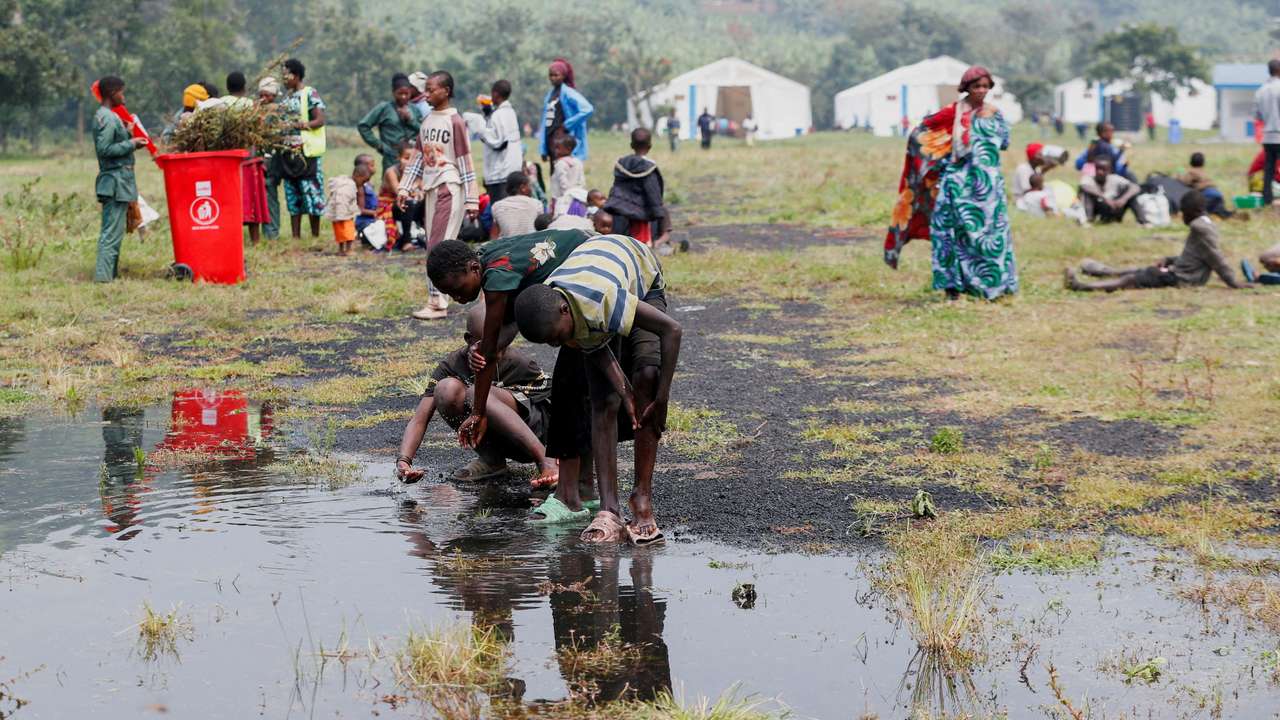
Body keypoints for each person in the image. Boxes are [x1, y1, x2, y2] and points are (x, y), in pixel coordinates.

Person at [511, 234, 682, 545]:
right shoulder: (559, 304)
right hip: (595, 282)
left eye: (557, 336)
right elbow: (596, 344)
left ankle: (642, 498)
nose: (558, 344)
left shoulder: (599, 301)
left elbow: (672, 330)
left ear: (565, 311)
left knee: (647, 374)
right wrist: (623, 392)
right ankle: (609, 511)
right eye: (551, 343)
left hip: (643, 280)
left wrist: (662, 397)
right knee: (603, 401)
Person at [425, 230, 595, 504]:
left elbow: (493, 347)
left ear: (473, 268)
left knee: (579, 380)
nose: (456, 298)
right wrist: (486, 349)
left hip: (591, 257)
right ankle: (570, 478)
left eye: (457, 289)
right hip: (576, 267)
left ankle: (564, 472)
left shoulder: (496, 277)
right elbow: (503, 333)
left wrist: (478, 410)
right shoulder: (487, 259)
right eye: (448, 294)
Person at [884, 66, 1017, 299]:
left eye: (985, 86)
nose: (981, 90)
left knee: (990, 236)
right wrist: (937, 164)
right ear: (966, 87)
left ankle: (990, 287)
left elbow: (1004, 142)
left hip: (989, 187)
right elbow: (920, 135)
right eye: (976, 86)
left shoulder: (995, 113)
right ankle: (953, 288)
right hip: (958, 183)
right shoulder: (952, 113)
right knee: (950, 235)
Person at [396, 304, 557, 484]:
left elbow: (558, 403)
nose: (493, 352)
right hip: (502, 439)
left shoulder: (518, 362)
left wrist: (562, 451)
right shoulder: (452, 365)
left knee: (477, 393)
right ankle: (492, 461)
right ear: (468, 339)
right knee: (445, 389)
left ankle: (545, 462)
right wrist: (404, 460)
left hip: (537, 436)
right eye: (484, 344)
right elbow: (420, 419)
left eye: (499, 344)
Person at [399, 70, 480, 320]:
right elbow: (418, 158)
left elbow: (465, 161)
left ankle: (438, 302)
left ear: (446, 91)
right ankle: (439, 297)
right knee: (432, 245)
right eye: (426, 89)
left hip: (449, 186)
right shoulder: (427, 121)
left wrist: (472, 198)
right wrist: (404, 186)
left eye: (432, 89)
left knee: (439, 246)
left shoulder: (455, 121)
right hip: (430, 188)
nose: (427, 94)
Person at [1065, 190, 1251, 292]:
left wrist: (1232, 281)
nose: (1181, 217)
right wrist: (1170, 260)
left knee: (1132, 279)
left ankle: (1083, 286)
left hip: (1182, 280)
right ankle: (1099, 271)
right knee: (1138, 271)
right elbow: (1196, 257)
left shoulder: (1199, 228)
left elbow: (1216, 258)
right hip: (1179, 272)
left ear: (1192, 211)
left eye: (1183, 213)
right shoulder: (1204, 224)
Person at [92, 76, 148, 283]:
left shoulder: (109, 117)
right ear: (112, 92)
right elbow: (104, 149)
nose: (123, 98)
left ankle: (110, 276)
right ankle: (103, 279)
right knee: (110, 234)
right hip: (114, 182)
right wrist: (132, 143)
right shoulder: (107, 118)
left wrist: (126, 133)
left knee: (115, 233)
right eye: (121, 93)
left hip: (119, 182)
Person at [603, 128, 671, 253]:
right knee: (642, 248)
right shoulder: (649, 168)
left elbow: (616, 189)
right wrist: (658, 213)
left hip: (620, 213)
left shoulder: (621, 164)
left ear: (631, 145)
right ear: (650, 146)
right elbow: (653, 194)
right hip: (641, 216)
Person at [281, 58, 327, 239]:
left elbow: (320, 119)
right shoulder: (285, 98)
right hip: (288, 152)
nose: (284, 79)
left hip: (307, 151)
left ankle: (315, 235)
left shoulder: (310, 93)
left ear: (297, 75)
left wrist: (304, 125)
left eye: (287, 75)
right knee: (293, 193)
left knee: (312, 192)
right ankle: (295, 236)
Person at [357, 73, 424, 176]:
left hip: (412, 156)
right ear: (393, 93)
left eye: (406, 94)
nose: (403, 97)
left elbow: (423, 132)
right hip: (391, 156)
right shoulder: (384, 108)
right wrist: (379, 145)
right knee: (390, 185)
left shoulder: (415, 110)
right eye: (399, 93)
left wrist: (410, 121)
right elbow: (363, 126)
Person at [475, 79, 522, 204]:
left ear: (495, 94)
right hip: (513, 169)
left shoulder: (499, 115)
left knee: (500, 210)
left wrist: (480, 128)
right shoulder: (510, 113)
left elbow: (497, 142)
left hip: (500, 173)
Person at [540, 59, 593, 162]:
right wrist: (543, 149)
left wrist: (567, 125)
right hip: (551, 139)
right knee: (554, 173)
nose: (552, 78)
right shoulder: (550, 95)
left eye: (556, 75)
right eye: (550, 75)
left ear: (563, 76)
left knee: (565, 170)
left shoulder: (569, 93)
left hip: (564, 140)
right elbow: (545, 122)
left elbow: (587, 109)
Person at [325, 157, 372, 256]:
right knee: (348, 232)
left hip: (339, 214)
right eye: (363, 181)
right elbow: (341, 201)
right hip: (343, 214)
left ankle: (341, 249)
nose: (363, 185)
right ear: (358, 176)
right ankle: (348, 249)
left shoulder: (347, 183)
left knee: (340, 232)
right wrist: (342, 215)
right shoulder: (348, 187)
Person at [257, 77, 285, 240]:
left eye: (267, 95)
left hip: (270, 160)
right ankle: (269, 232)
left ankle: (271, 232)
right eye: (263, 95)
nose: (264, 98)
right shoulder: (260, 109)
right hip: (263, 158)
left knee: (269, 194)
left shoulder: (275, 110)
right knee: (267, 195)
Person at [1079, 157, 1142, 224]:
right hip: (1100, 207)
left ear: (1109, 170)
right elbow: (1084, 186)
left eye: (1103, 169)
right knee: (1087, 194)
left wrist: (1123, 199)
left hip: (1116, 207)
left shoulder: (1114, 178)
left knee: (1131, 193)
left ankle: (1143, 222)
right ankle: (1088, 220)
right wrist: (1104, 198)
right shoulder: (1089, 178)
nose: (1100, 172)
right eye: (1098, 169)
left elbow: (1135, 187)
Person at [1178, 152, 1233, 219]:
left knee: (1201, 211)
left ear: (1191, 162)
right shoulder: (1203, 171)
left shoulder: (1191, 172)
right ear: (1203, 162)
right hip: (1217, 193)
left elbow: (1185, 182)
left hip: (1207, 195)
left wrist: (1179, 177)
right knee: (1219, 210)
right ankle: (1228, 214)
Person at [1255, 59, 1280, 207]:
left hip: (1268, 136)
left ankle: (1267, 199)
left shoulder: (1261, 90)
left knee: (1268, 169)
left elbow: (1257, 115)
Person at [491, 171, 543, 238]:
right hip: (531, 245)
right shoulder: (537, 204)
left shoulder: (497, 206)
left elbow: (494, 235)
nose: (531, 189)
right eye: (529, 185)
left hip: (508, 247)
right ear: (523, 188)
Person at [549, 136, 587, 217]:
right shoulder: (578, 162)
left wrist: (566, 197)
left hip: (562, 200)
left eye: (558, 148)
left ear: (569, 148)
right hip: (577, 199)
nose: (556, 150)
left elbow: (563, 184)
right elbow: (582, 182)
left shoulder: (560, 164)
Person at [353, 154, 379, 244]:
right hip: (365, 221)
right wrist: (376, 213)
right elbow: (360, 209)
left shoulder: (369, 184)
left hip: (372, 218)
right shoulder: (360, 187)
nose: (374, 168)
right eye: (371, 165)